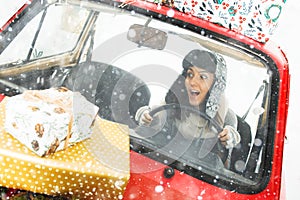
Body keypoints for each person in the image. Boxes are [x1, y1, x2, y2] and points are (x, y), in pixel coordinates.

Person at [135, 49, 241, 169]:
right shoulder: (174, 102)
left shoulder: (226, 116)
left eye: (203, 77)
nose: (193, 82)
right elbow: (153, 116)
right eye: (190, 74)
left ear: (215, 84)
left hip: (198, 178)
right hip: (159, 165)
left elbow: (227, 153)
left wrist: (227, 138)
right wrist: (147, 117)